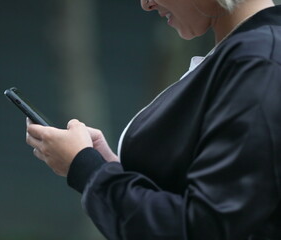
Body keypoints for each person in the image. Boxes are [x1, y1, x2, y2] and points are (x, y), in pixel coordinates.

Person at [26, 0, 281, 239]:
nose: (145, 3)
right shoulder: (247, 56)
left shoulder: (257, 61)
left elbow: (203, 228)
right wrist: (107, 167)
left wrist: (87, 170)